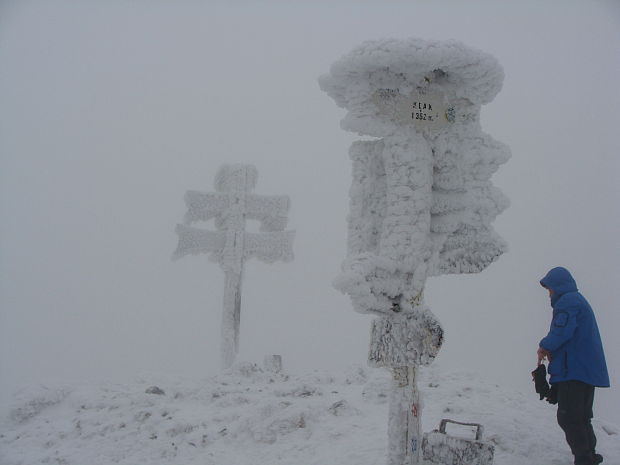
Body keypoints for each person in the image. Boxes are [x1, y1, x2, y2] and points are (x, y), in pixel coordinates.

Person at [537, 267, 610, 465]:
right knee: (581, 417)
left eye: (549, 289)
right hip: (585, 370)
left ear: (558, 286)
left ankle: (584, 458)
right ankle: (589, 455)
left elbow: (562, 331)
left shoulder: (568, 302)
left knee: (568, 417)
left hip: (574, 370)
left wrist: (544, 346)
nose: (549, 294)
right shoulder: (577, 301)